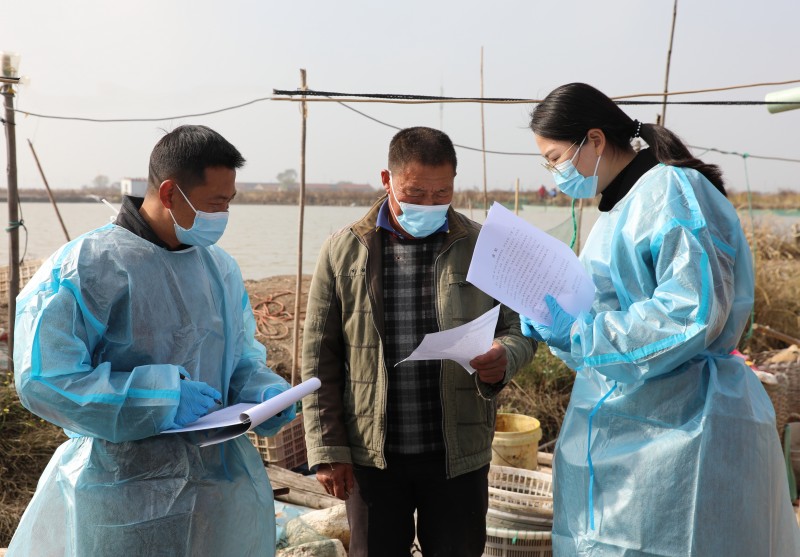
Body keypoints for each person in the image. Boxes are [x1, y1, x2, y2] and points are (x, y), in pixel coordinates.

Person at [522, 83, 800, 556]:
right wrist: (563, 327)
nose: (554, 173)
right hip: (632, 421)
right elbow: (611, 314)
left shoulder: (671, 191)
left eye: (554, 158)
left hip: (687, 424)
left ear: (593, 140)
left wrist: (582, 332)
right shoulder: (618, 209)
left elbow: (690, 313)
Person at [9, 125, 295, 556]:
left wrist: (263, 394)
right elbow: (46, 379)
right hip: (119, 488)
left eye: (229, 202)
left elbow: (237, 358)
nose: (223, 214)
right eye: (215, 203)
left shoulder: (219, 269)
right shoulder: (85, 267)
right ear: (169, 193)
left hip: (214, 486)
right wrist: (158, 397)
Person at [301, 126, 536, 557]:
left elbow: (520, 328)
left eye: (441, 193)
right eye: (415, 193)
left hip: (457, 454)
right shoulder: (342, 250)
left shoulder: (484, 245)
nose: (429, 204)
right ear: (387, 180)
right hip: (372, 456)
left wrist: (505, 355)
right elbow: (319, 358)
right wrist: (327, 448)